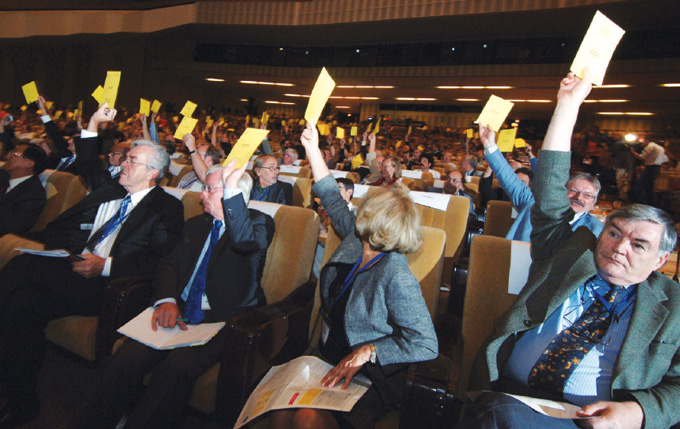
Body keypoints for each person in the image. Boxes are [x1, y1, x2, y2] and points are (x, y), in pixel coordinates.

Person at [460, 69, 680, 429]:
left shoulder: (674, 305)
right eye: (614, 233)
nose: (619, 247)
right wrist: (567, 103)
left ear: (660, 260)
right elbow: (548, 193)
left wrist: (638, 411)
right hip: (512, 397)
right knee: (499, 415)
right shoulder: (568, 253)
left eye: (638, 244)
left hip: (594, 420)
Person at [72, 162, 274, 429]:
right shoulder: (195, 224)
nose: (201, 194)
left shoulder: (259, 224)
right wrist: (166, 300)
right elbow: (169, 264)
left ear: (231, 194)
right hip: (178, 311)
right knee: (123, 360)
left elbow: (244, 243)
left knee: (176, 369)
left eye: (209, 189)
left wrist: (232, 191)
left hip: (224, 322)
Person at [0, 139, 184, 428]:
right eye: (125, 158)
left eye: (132, 160)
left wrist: (106, 267)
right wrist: (93, 125)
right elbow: (86, 163)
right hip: (71, 272)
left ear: (152, 172)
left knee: (24, 266)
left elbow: (159, 259)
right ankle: (22, 402)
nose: (123, 163)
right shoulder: (110, 190)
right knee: (20, 306)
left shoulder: (167, 207)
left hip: (109, 288)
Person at [268, 122, 438, 429]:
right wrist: (312, 150)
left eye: (365, 209)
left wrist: (370, 350)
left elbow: (426, 343)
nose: (356, 209)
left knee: (307, 419)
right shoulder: (355, 240)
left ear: (376, 223)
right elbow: (332, 197)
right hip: (328, 355)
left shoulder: (394, 272)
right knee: (279, 409)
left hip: (368, 372)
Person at [480, 124, 604, 241]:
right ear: (562, 192)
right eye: (574, 191)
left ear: (593, 204)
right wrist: (490, 145)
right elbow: (509, 179)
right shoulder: (533, 205)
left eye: (588, 195)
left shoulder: (598, 230)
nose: (579, 197)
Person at [0, 143, 47, 236]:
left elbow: (10, 227)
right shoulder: (4, 179)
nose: (7, 156)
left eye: (14, 154)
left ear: (29, 164)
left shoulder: (33, 194)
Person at [631, 136, 667, 205]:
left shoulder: (650, 147)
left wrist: (633, 152)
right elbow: (665, 159)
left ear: (647, 140)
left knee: (641, 186)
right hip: (657, 168)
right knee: (649, 187)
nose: (641, 143)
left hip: (650, 168)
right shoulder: (660, 147)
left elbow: (641, 157)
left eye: (642, 141)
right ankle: (650, 203)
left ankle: (642, 203)